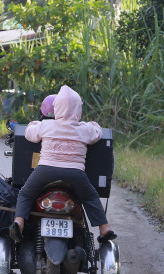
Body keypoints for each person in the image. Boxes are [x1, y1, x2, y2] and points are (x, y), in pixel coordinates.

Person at [9, 85, 117, 244]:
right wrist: (93, 124)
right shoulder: (84, 129)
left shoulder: (47, 125)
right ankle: (104, 228)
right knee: (90, 197)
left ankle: (19, 223)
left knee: (26, 193)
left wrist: (33, 124)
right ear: (78, 111)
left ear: (56, 109)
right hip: (75, 173)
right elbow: (97, 132)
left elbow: (29, 133)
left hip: (45, 170)